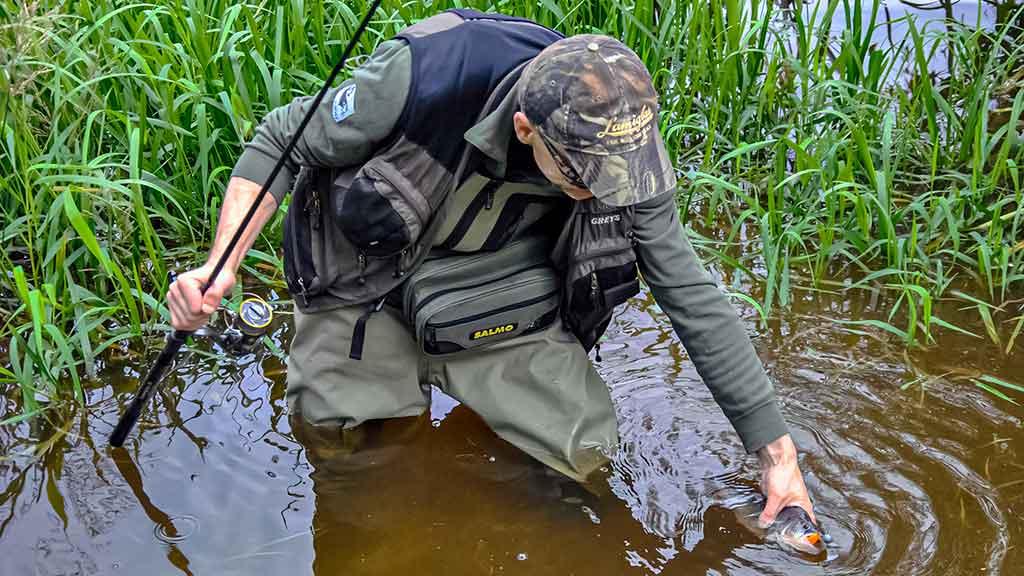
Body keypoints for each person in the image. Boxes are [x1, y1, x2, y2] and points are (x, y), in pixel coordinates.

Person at [166, 9, 816, 528]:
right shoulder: (422, 76)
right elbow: (281, 139)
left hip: (493, 284)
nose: (606, 192)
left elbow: (689, 292)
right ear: (527, 127)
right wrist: (219, 267)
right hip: (362, 277)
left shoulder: (622, 148)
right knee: (352, 456)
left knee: (580, 455)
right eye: (584, 178)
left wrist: (777, 457)